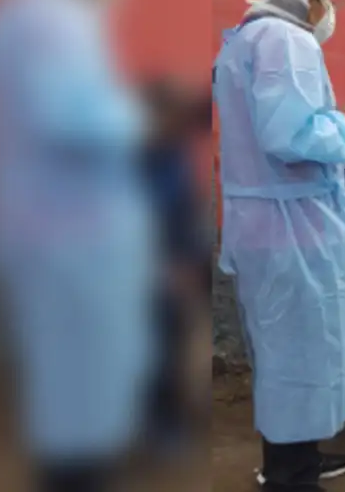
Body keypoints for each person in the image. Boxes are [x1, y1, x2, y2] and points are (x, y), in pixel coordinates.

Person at [0, 0, 156, 492]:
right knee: (84, 372)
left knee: (61, 367)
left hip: (38, 218)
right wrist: (138, 121)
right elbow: (73, 119)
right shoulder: (58, 21)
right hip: (75, 228)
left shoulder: (11, 18)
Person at [212, 0, 345, 492]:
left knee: (287, 355)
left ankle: (293, 459)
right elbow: (291, 135)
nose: (330, 8)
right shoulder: (286, 41)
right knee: (300, 354)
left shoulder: (243, 42)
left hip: (268, 222)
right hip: (292, 228)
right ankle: (291, 477)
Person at [139, 77, 211, 455]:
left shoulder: (171, 157)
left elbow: (183, 215)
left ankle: (166, 417)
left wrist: (184, 262)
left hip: (174, 263)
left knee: (172, 339)